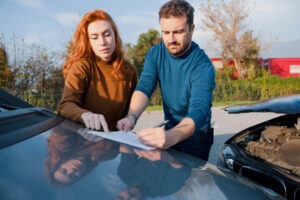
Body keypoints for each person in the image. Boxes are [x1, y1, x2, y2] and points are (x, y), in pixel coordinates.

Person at [117, 0, 215, 161]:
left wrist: (171, 136)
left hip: (196, 137)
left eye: (178, 32)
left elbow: (200, 110)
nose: (171, 39)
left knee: (188, 183)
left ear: (192, 29)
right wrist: (131, 116)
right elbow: (145, 86)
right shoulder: (155, 53)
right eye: (166, 32)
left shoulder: (203, 65)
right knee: (167, 181)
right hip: (169, 129)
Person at [58, 9, 137, 132]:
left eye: (107, 34)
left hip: (113, 144)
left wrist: (129, 120)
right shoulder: (82, 66)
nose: (102, 42)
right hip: (81, 142)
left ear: (115, 35)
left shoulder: (129, 71)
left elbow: (128, 113)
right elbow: (65, 106)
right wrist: (86, 115)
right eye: (94, 37)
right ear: (88, 42)